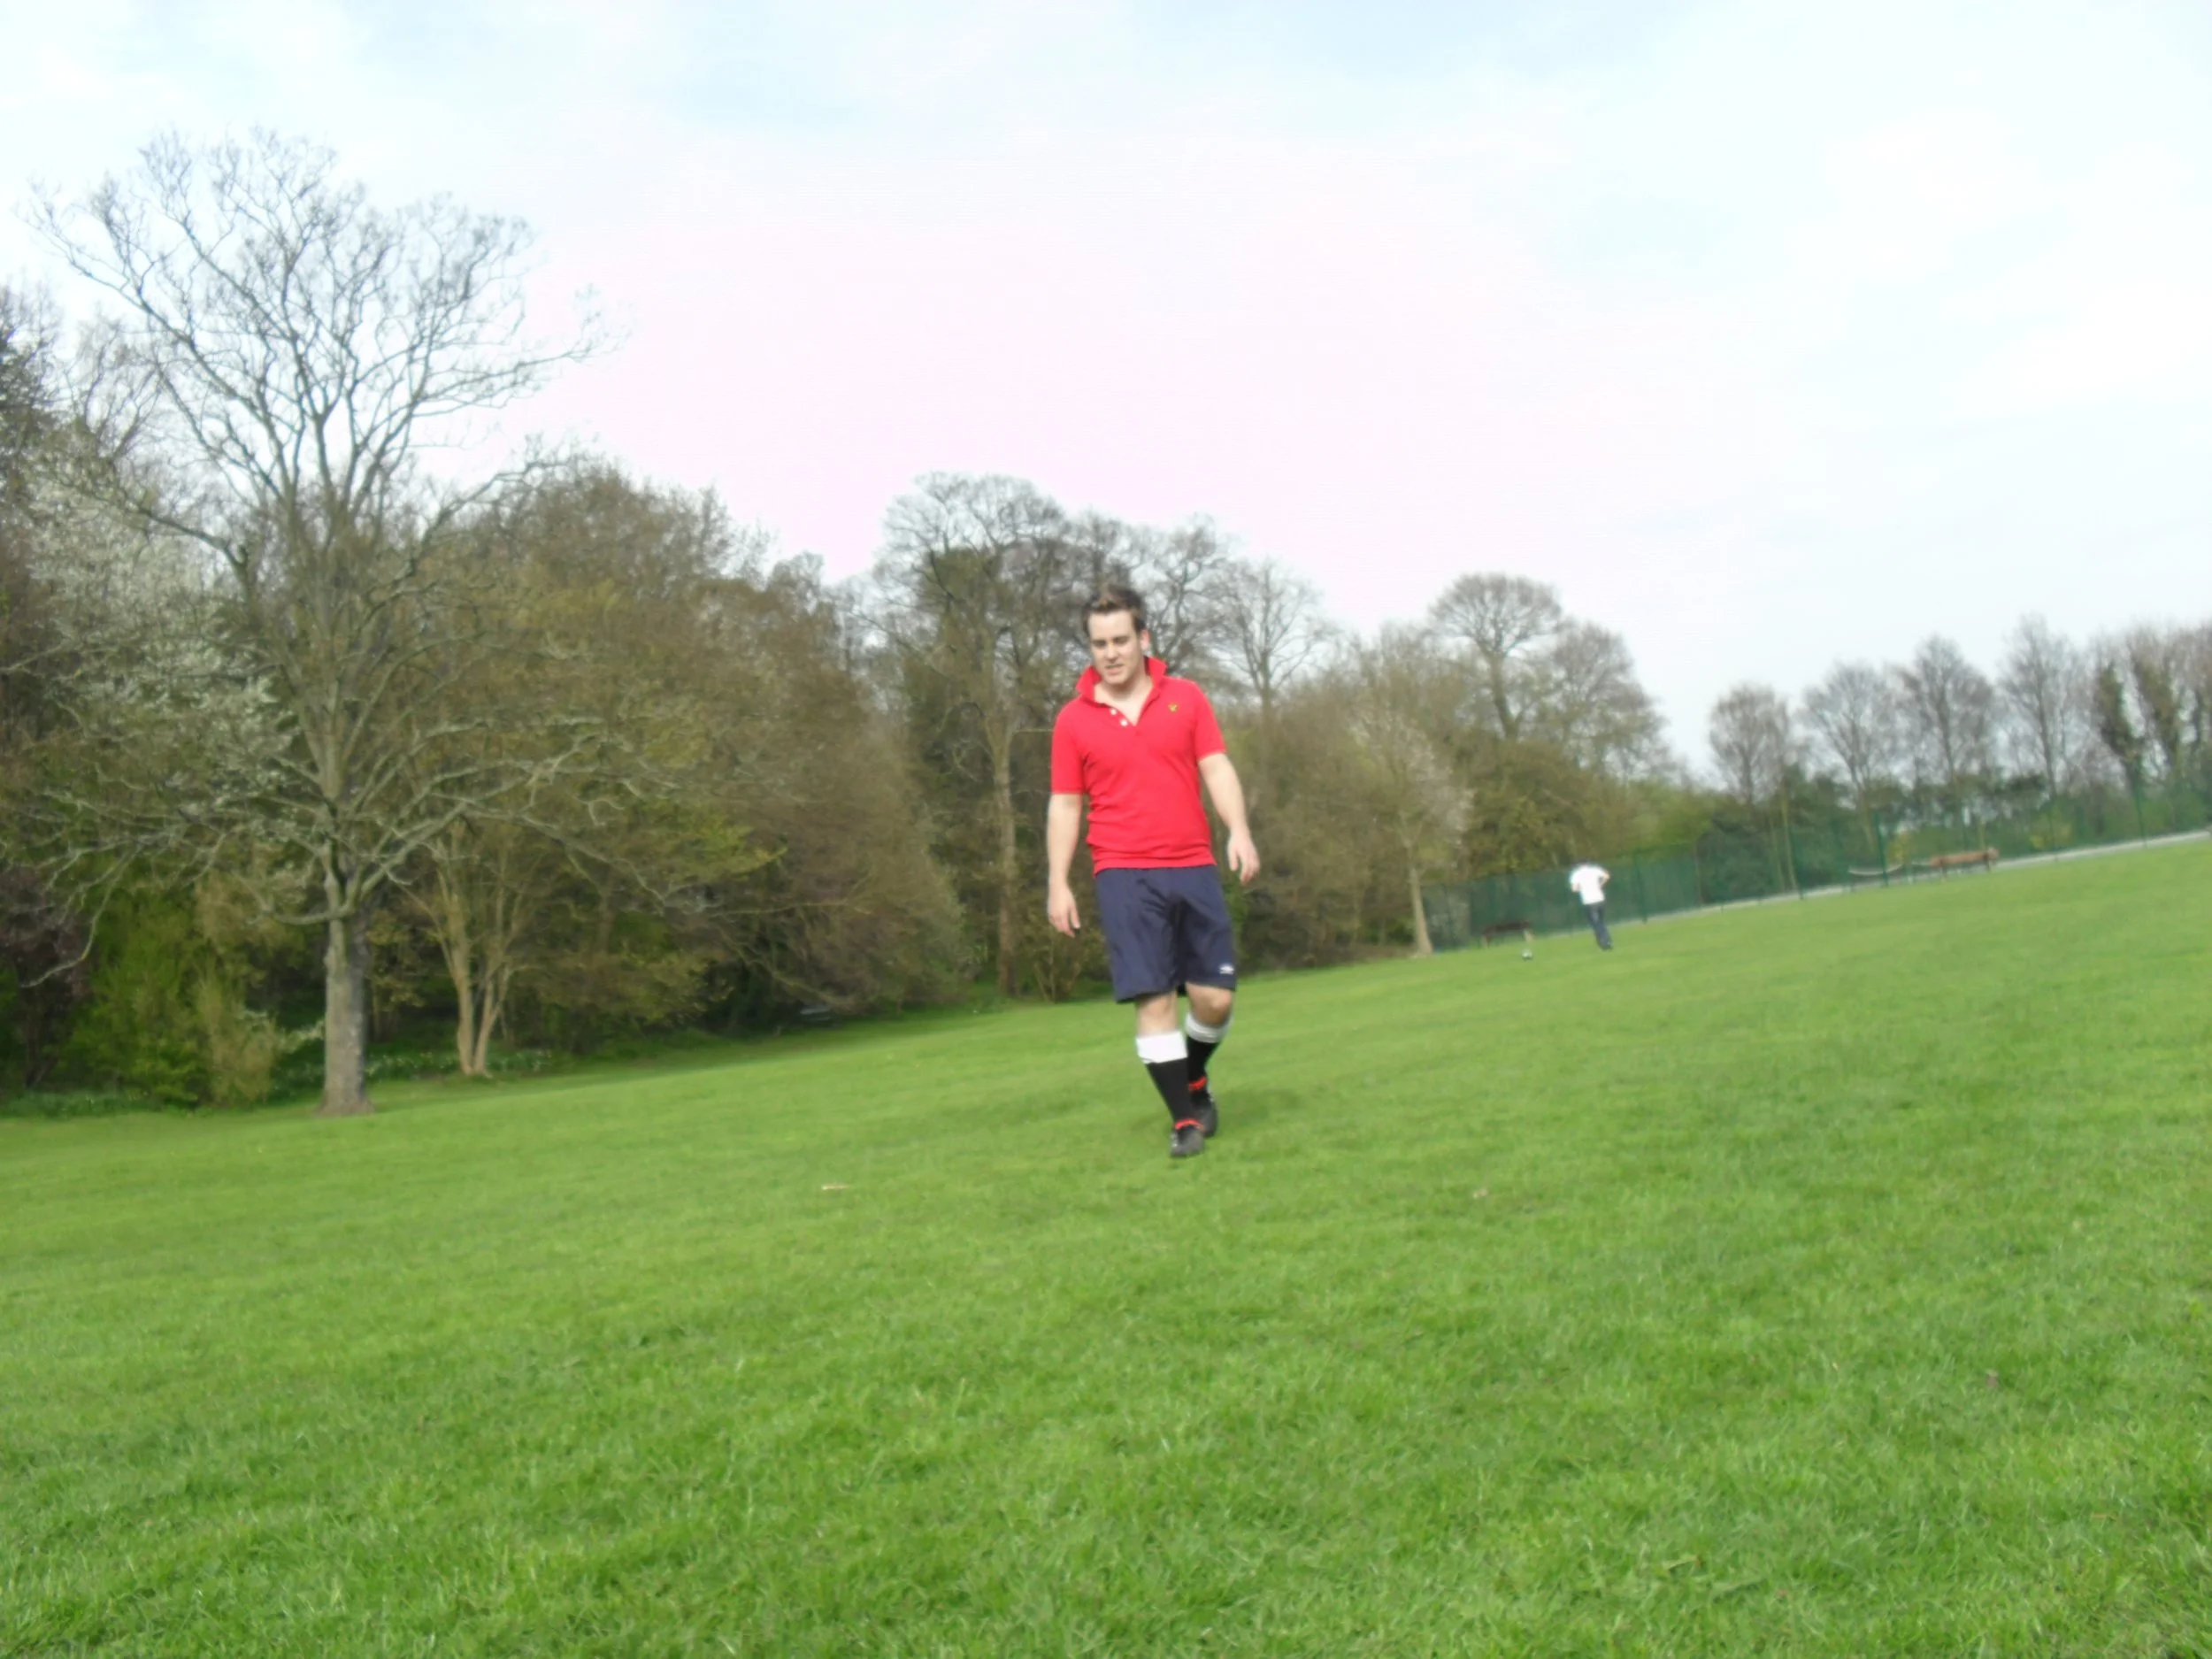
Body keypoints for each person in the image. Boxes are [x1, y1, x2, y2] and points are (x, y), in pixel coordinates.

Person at [1047, 584, 1260, 1159]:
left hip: (1192, 864)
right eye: (1099, 644)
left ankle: (1193, 1074)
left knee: (1215, 999)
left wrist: (1238, 830)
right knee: (1154, 998)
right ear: (1090, 648)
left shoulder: (1186, 698)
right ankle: (1184, 1120)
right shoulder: (1072, 720)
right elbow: (1065, 804)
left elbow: (1216, 766)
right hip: (1122, 873)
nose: (1111, 653)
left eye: (1120, 640)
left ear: (1143, 638)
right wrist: (1057, 882)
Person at [1568, 859, 1613, 950]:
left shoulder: (1576, 874)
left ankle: (1604, 941)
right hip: (1600, 899)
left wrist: (1582, 888)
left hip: (1588, 901)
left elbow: (1574, 889)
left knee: (1595, 923)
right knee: (1601, 921)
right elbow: (1607, 876)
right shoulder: (1595, 870)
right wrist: (1600, 884)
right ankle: (1605, 940)